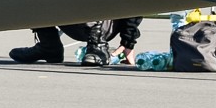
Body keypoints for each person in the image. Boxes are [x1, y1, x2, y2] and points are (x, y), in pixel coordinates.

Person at [9, 17, 143, 66]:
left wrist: (128, 42)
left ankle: (97, 47)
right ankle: (49, 47)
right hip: (70, 19)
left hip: (105, 24)